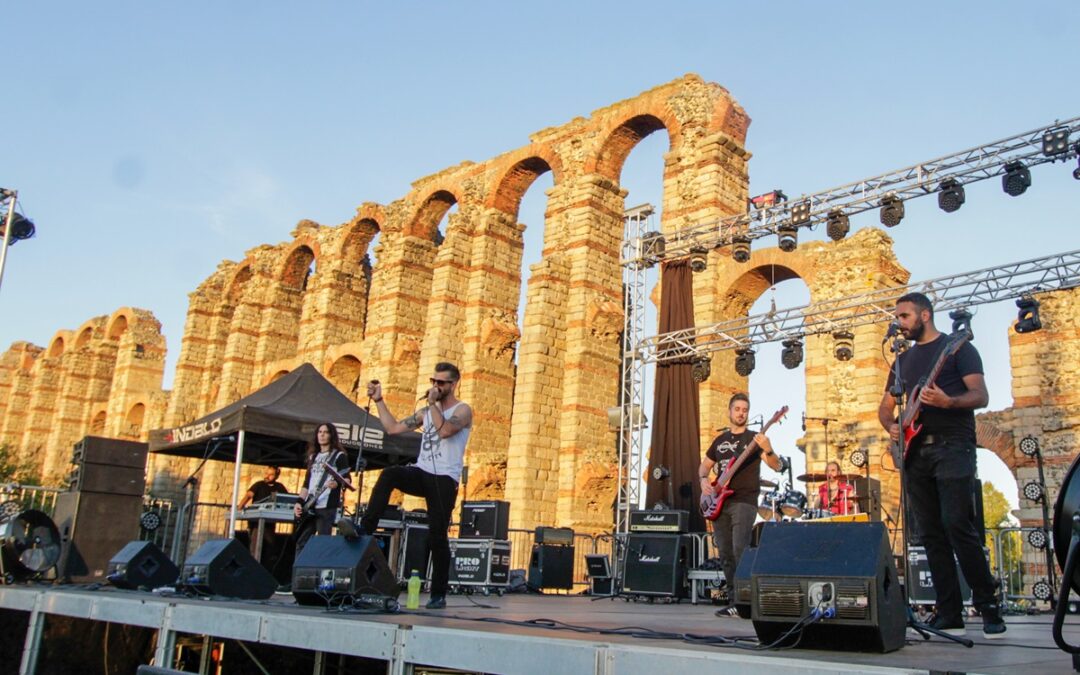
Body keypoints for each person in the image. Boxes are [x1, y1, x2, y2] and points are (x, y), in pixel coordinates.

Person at [877, 291, 1005, 639]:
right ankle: (948, 611)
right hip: (914, 452)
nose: (899, 323)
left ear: (925, 315)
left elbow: (980, 395)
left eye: (904, 316)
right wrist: (891, 425)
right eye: (898, 317)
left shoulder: (958, 348)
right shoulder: (903, 361)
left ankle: (988, 605)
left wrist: (948, 402)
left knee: (957, 525)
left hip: (953, 447)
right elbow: (886, 407)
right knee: (929, 532)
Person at [343, 362, 472, 610]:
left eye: (442, 383)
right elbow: (392, 429)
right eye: (434, 381)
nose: (436, 386)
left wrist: (434, 405)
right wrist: (380, 401)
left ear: (454, 384)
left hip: (445, 478)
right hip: (422, 470)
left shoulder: (463, 410)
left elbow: (445, 431)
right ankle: (366, 527)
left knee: (437, 535)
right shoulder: (425, 412)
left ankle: (438, 594)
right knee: (391, 474)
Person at [698, 392, 781, 616]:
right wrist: (704, 481)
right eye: (737, 409)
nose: (741, 413)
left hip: (744, 500)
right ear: (729, 411)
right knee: (724, 553)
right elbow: (704, 467)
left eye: (745, 410)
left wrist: (769, 448)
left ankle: (747, 601)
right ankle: (735, 600)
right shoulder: (720, 441)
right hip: (719, 502)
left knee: (739, 549)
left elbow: (777, 466)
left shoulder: (755, 439)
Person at [292, 423, 352, 553]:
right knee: (302, 542)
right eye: (320, 432)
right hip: (310, 505)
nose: (322, 435)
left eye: (326, 432)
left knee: (323, 542)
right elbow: (306, 483)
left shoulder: (338, 456)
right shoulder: (313, 457)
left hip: (326, 505)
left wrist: (337, 483)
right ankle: (299, 572)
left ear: (331, 435)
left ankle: (320, 573)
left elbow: (347, 479)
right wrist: (299, 502)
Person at [237, 465, 289, 559]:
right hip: (256, 522)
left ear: (276, 476)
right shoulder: (259, 484)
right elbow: (248, 495)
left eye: (271, 474)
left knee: (269, 547)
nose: (267, 476)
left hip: (270, 522)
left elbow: (287, 500)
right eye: (266, 473)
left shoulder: (279, 487)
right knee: (255, 545)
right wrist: (239, 508)